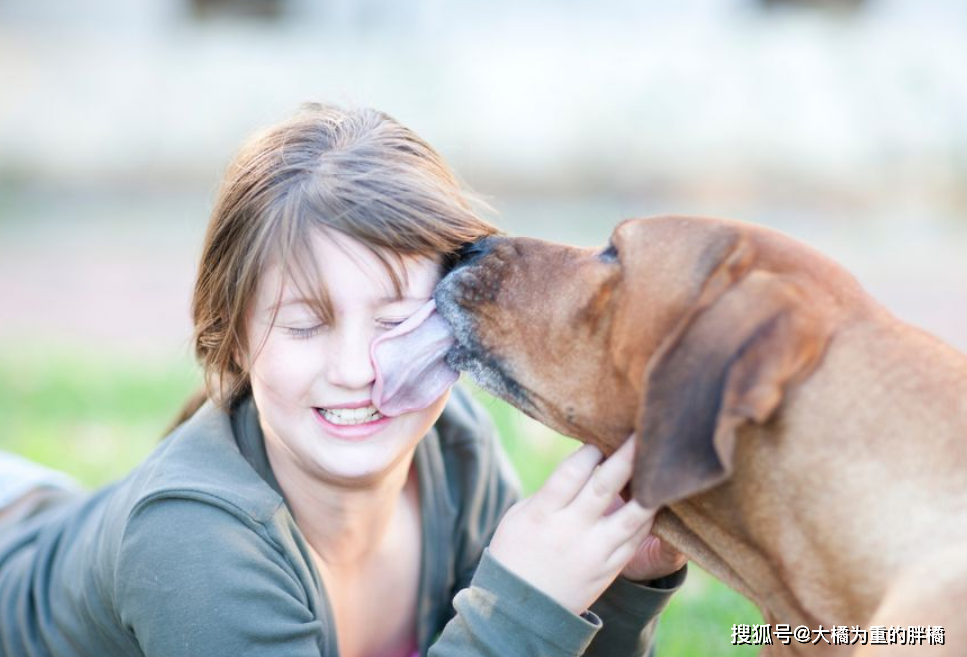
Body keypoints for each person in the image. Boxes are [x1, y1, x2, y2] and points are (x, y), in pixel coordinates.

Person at [0, 103, 687, 657]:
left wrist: (617, 585)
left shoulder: (453, 448)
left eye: (397, 320)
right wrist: (521, 600)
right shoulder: (191, 545)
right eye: (305, 325)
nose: (358, 370)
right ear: (233, 337)